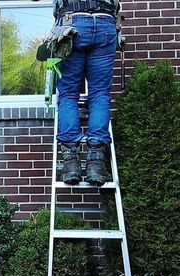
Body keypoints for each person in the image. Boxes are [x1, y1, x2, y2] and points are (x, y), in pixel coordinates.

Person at [51, 0, 121, 186]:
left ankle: (71, 164)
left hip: (71, 24)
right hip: (106, 24)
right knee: (100, 94)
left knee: (68, 94)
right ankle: (96, 163)